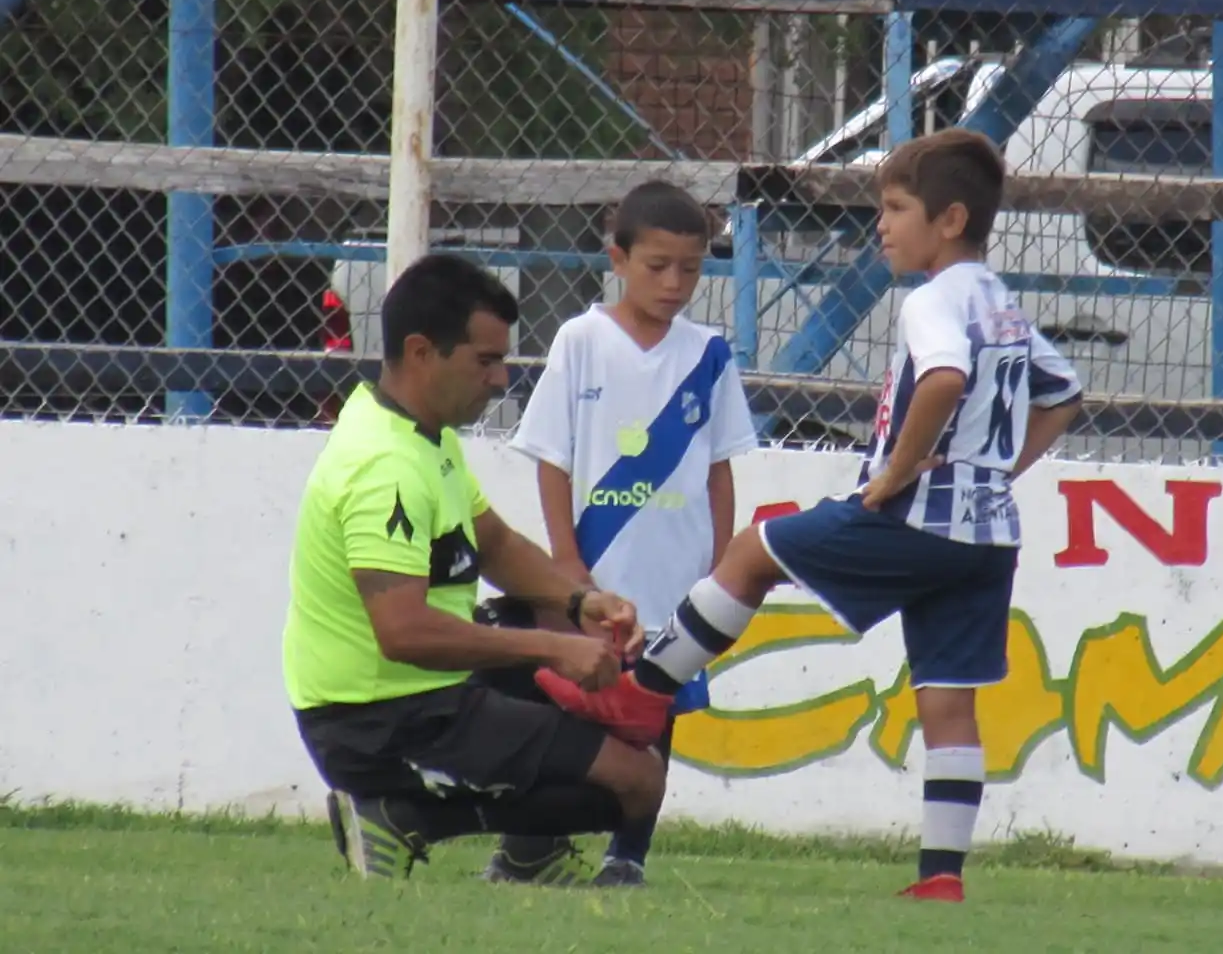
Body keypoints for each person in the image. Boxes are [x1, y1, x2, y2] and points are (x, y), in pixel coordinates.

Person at [534, 128, 1085, 903]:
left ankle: (642, 690)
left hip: (916, 518)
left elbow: (943, 382)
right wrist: (994, 472)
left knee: (753, 551)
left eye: (895, 209)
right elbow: (1064, 396)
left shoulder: (936, 298)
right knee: (949, 701)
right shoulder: (1002, 302)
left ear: (950, 220)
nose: (882, 226)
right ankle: (941, 877)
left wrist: (897, 470)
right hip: (987, 536)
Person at [281, 253, 667, 881]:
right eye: (485, 361)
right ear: (421, 352)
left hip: (412, 699)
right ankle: (400, 815)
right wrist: (550, 647)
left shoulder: (418, 433)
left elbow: (493, 543)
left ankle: (524, 855)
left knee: (544, 627)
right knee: (638, 784)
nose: (500, 379)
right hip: (377, 720)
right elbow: (403, 633)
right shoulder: (386, 468)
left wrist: (577, 603)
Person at [479, 180, 759, 888]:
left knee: (656, 710)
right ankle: (529, 845)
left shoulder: (710, 353)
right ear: (618, 259)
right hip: (599, 574)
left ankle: (627, 856)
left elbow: (720, 465)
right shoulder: (581, 340)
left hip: (678, 571)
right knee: (569, 713)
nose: (674, 283)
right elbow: (551, 455)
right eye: (657, 265)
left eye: (691, 268)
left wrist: (720, 563)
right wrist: (567, 562)